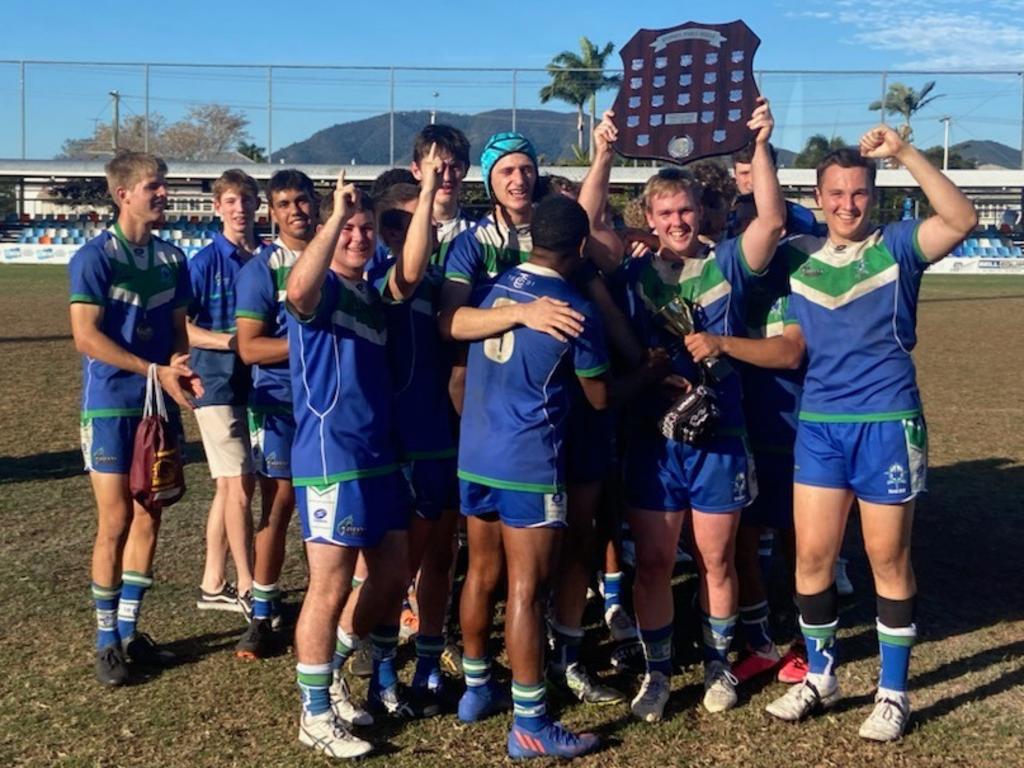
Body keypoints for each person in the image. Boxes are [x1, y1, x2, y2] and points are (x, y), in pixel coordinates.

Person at [744, 127, 976, 741]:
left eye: (859, 194)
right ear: (818, 198)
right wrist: (761, 143)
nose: (847, 205)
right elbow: (765, 218)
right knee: (813, 559)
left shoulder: (899, 246)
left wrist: (903, 153)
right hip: (820, 426)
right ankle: (821, 677)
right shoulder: (798, 258)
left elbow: (960, 216)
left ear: (874, 196)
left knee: (886, 559)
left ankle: (893, 692)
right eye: (836, 194)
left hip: (887, 423)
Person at [578, 100, 785, 721]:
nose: (677, 221)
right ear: (648, 216)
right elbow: (586, 230)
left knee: (718, 559)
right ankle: (660, 672)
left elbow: (771, 221)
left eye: (686, 209)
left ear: (701, 211)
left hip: (720, 435)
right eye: (665, 212)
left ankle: (721, 665)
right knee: (658, 563)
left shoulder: (726, 265)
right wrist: (605, 154)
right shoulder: (636, 273)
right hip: (653, 439)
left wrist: (760, 145)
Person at [285, 166, 434, 758]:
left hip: (379, 456)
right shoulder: (318, 290)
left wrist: (425, 196)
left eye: (366, 228)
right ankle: (313, 713)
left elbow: (414, 270)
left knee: (393, 575)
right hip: (331, 458)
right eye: (349, 228)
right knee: (329, 584)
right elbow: (296, 292)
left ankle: (335, 673)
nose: (358, 236)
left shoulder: (371, 296)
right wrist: (332, 219)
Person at [457, 194, 607, 760]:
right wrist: (649, 375)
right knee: (527, 589)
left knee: (480, 572)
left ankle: (476, 689)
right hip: (529, 462)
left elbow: (459, 324)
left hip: (476, 455)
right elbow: (597, 397)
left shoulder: (495, 289)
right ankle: (530, 723)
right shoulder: (572, 308)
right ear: (582, 246)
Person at [69, 151, 202, 685]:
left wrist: (180, 365)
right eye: (154, 186)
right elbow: (86, 337)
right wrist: (153, 370)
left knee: (151, 511)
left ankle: (129, 633)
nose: (163, 193)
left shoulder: (173, 259)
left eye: (163, 185)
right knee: (116, 520)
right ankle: (105, 642)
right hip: (109, 405)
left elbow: (177, 332)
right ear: (123, 194)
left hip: (159, 403)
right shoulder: (94, 257)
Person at [233, 169, 319, 658]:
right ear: (272, 211)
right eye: (284, 203)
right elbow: (249, 348)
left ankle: (325, 603)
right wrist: (309, 345)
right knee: (281, 505)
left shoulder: (339, 256)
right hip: (280, 405)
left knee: (327, 509)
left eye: (302, 200)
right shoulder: (262, 269)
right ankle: (262, 615)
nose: (295, 210)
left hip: (332, 407)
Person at [188, 170, 262, 621]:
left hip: (254, 385)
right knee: (237, 488)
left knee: (232, 486)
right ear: (217, 207)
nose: (240, 208)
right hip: (213, 383)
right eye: (231, 201)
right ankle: (251, 587)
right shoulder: (203, 263)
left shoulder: (265, 257)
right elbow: (179, 325)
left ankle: (213, 582)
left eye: (247, 200)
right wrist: (229, 342)